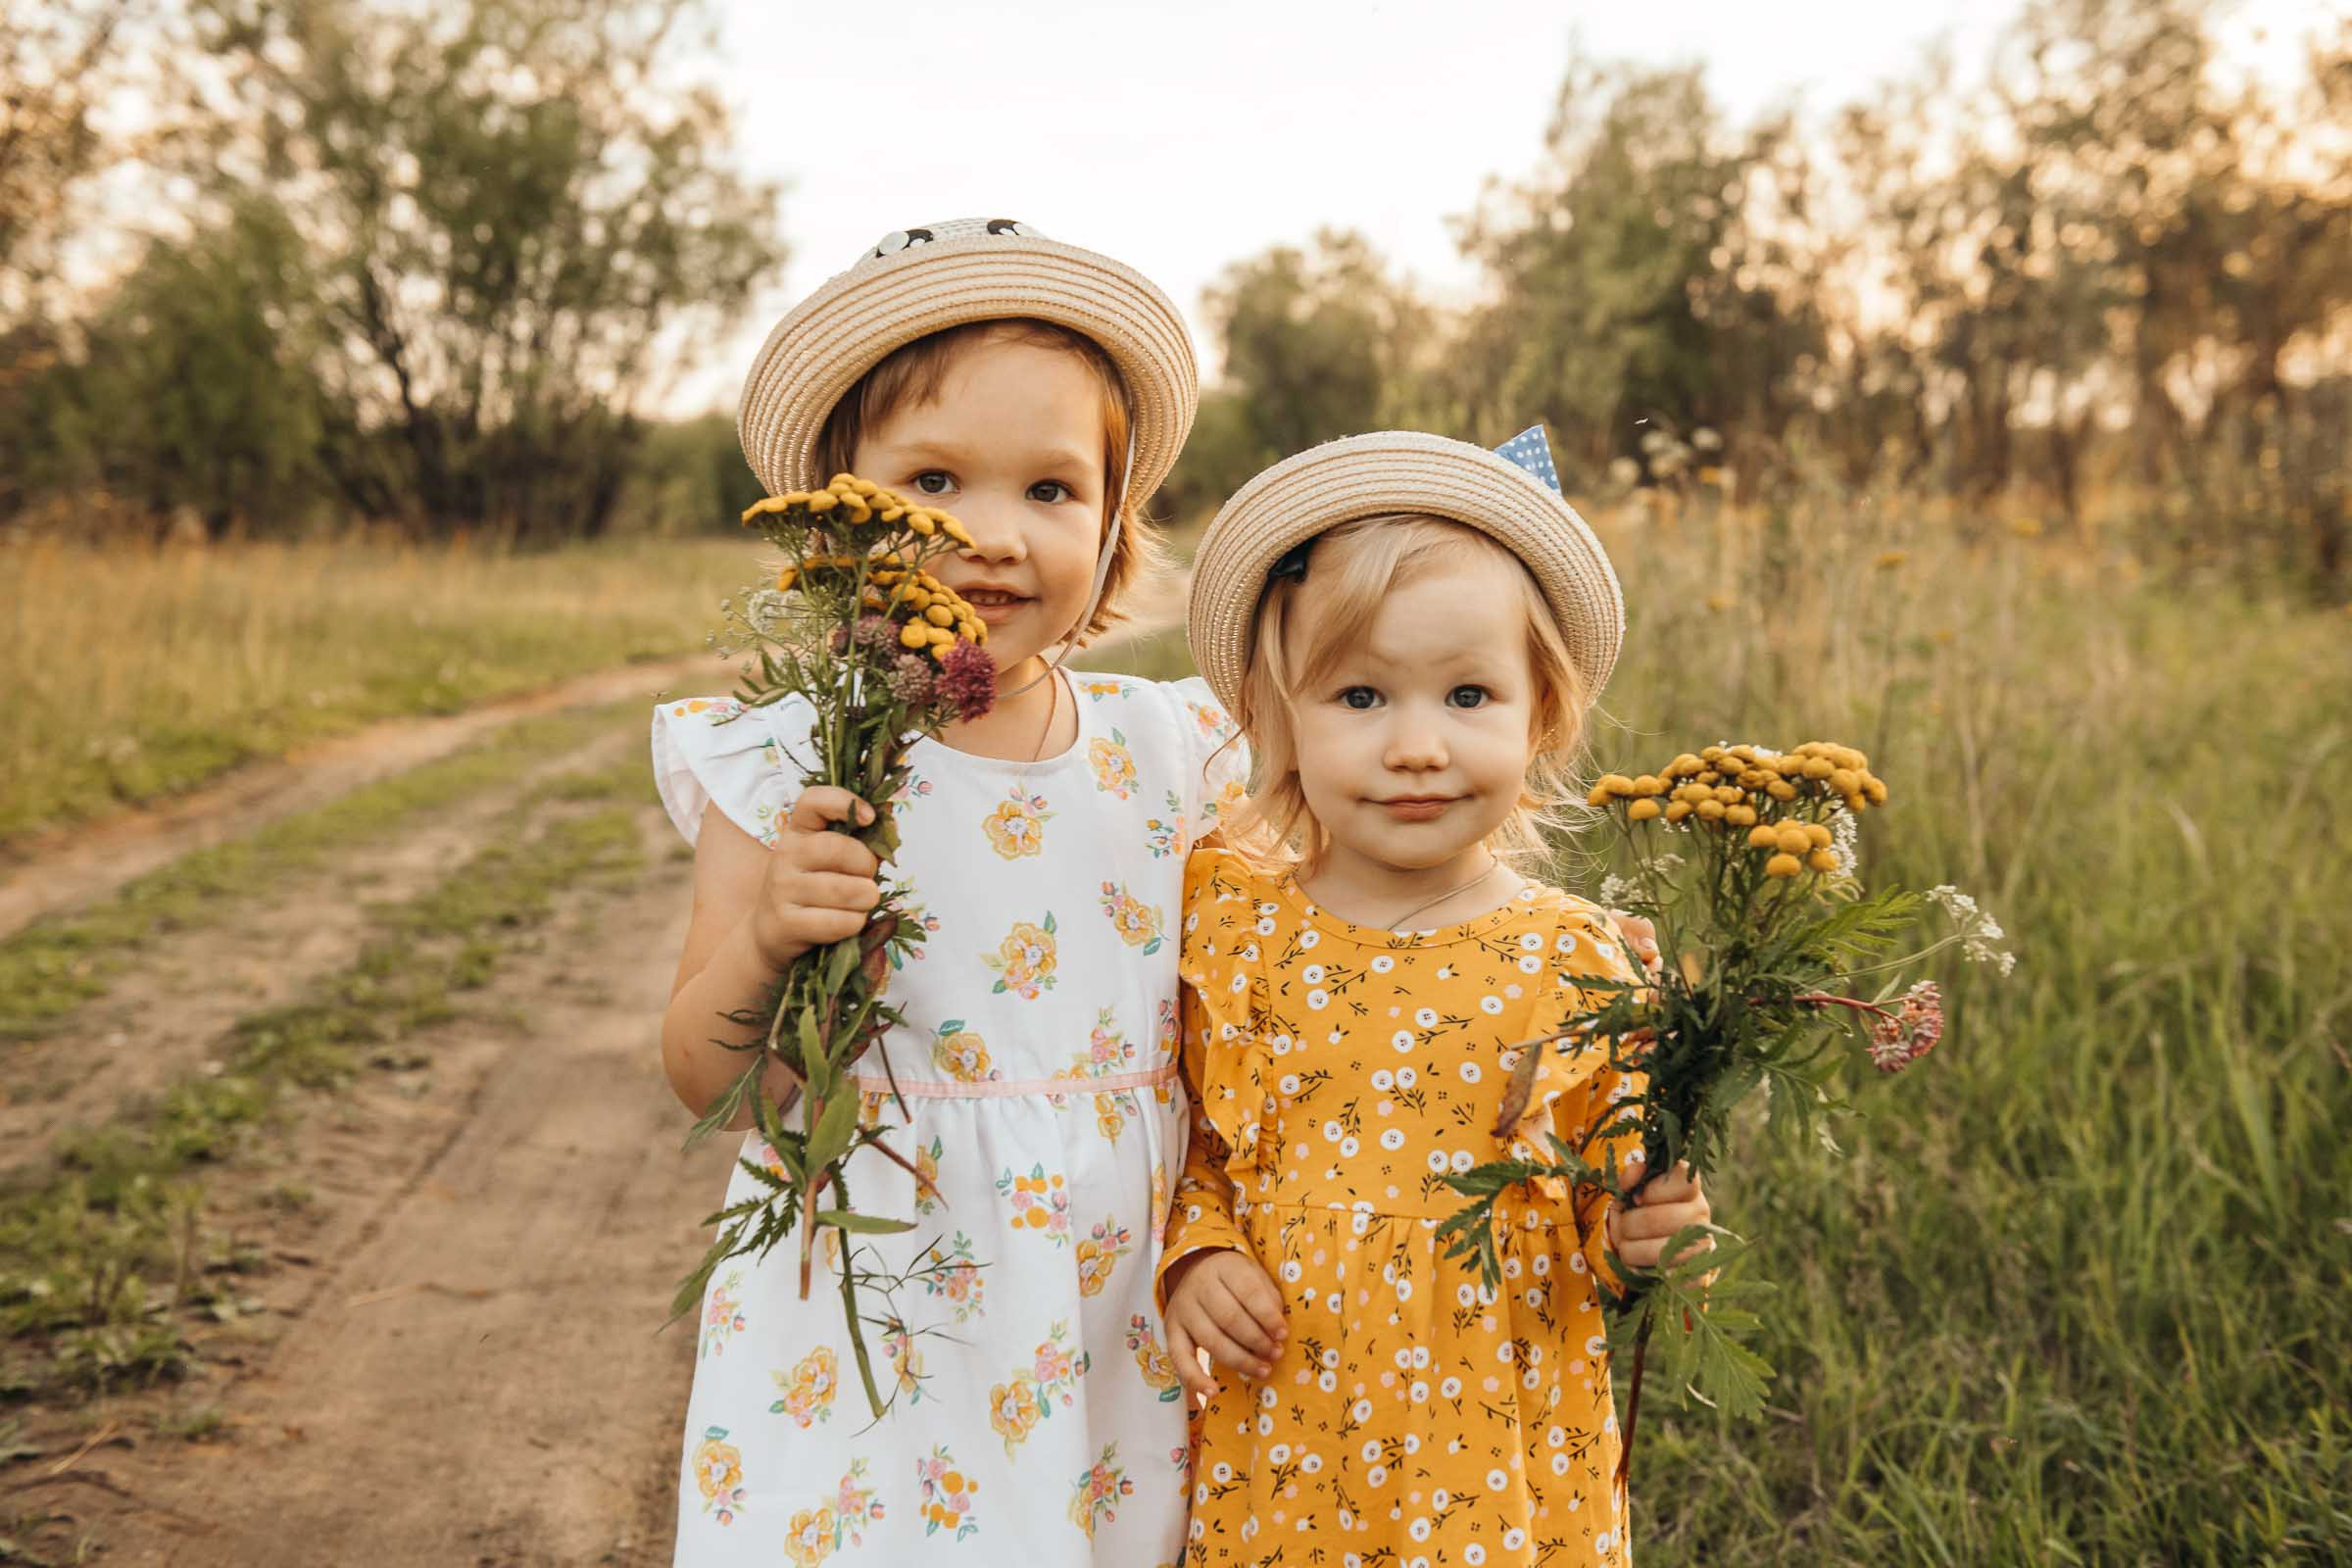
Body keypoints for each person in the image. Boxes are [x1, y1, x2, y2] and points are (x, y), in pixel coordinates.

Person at [652, 218, 1236, 1566]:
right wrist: (766, 942)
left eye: (1051, 491)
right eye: (929, 484)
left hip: (1106, 1305)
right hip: (875, 1291)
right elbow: (705, 1076)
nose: (989, 536)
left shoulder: (1172, 752)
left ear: (1114, 521)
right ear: (840, 516)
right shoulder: (792, 756)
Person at [1158, 430, 1711, 1566]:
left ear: (1540, 713)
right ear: (1281, 716)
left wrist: (1642, 1236)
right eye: (1360, 694)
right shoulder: (1237, 925)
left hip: (1497, 1456)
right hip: (1291, 1434)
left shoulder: (1584, 961)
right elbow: (1200, 1142)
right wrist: (1200, 1256)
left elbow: (1599, 1220)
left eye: (1468, 694)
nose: (1417, 746)